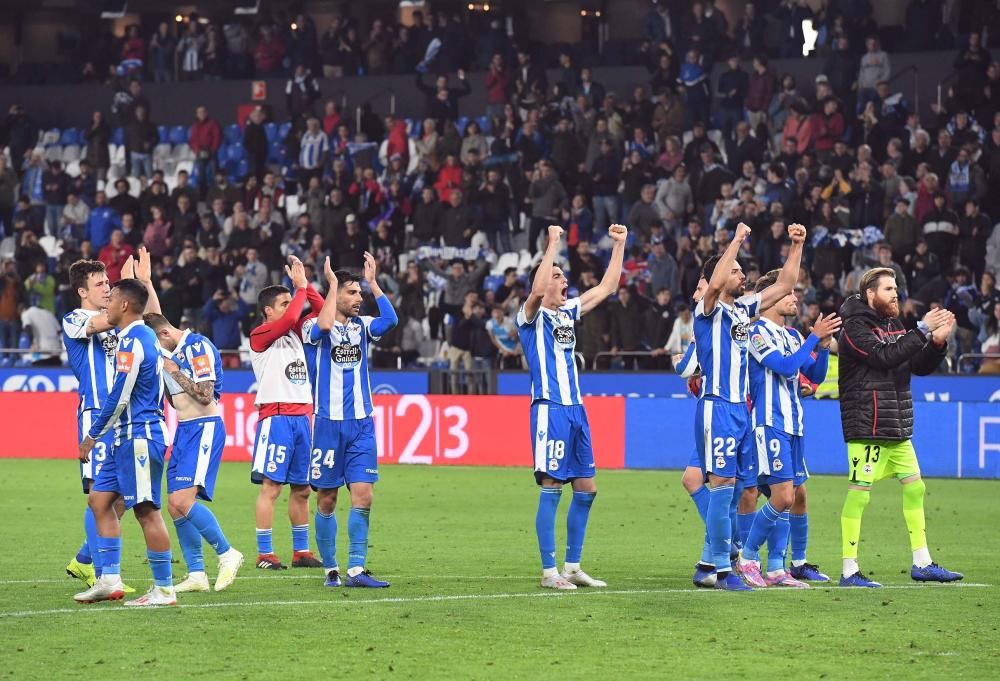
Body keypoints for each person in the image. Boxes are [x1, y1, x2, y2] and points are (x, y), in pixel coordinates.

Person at [692, 221, 805, 591]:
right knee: (722, 486)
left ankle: (709, 562)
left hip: (742, 411)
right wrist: (736, 241)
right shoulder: (707, 310)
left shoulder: (743, 311)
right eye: (737, 270)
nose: (743, 275)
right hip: (718, 407)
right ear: (718, 278)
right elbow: (716, 282)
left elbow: (784, 284)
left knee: (742, 490)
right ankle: (724, 571)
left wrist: (796, 244)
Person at [516, 222, 628, 590]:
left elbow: (608, 287)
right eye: (558, 276)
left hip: (576, 409)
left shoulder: (567, 313)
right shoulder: (530, 317)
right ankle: (549, 572)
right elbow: (534, 289)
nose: (565, 281)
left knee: (587, 488)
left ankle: (573, 566)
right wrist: (552, 244)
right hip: (550, 409)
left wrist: (619, 245)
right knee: (552, 486)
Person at [836, 267, 963, 587]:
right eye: (889, 289)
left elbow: (914, 365)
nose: (896, 294)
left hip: (896, 427)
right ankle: (849, 569)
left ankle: (922, 562)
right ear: (870, 294)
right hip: (867, 425)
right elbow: (883, 357)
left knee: (916, 487)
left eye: (896, 288)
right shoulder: (854, 328)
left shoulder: (893, 324)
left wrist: (936, 343)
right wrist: (921, 330)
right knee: (860, 495)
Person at [737, 269, 840, 588]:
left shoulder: (793, 335)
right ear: (770, 299)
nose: (795, 298)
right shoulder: (756, 333)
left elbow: (814, 374)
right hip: (770, 423)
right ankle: (748, 557)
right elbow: (783, 366)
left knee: (795, 495)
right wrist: (814, 337)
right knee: (782, 496)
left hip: (794, 424)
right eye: (788, 294)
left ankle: (779, 568)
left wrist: (821, 346)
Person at [76, 278, 174, 606]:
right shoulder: (133, 337)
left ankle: (164, 588)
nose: (108, 300)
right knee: (100, 501)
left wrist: (91, 436)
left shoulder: (135, 339)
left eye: (112, 296)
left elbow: (120, 395)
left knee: (146, 511)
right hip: (124, 439)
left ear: (124, 305)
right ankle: (109, 579)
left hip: (140, 437)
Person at [303, 254, 398, 588]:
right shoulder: (311, 326)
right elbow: (325, 326)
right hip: (328, 425)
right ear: (337, 295)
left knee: (364, 495)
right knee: (327, 498)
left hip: (361, 424)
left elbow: (391, 319)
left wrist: (374, 283)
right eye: (353, 293)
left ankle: (356, 569)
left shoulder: (363, 327)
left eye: (360, 294)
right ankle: (331, 569)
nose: (359, 299)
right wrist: (330, 287)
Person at [144, 311, 244, 593]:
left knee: (182, 500)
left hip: (204, 427)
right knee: (174, 506)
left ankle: (227, 553)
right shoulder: (170, 351)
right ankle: (196, 573)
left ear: (164, 335)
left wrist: (171, 368)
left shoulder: (196, 346)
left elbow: (205, 394)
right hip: (184, 430)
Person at [249, 256, 326, 570]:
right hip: (277, 417)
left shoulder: (294, 333)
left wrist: (305, 287)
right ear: (269, 310)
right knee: (272, 487)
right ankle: (265, 553)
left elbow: (322, 312)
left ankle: (301, 552)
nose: (291, 307)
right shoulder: (261, 335)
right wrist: (300, 288)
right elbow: (293, 314)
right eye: (283, 303)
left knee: (303, 489)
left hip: (302, 419)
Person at [61, 259, 133, 594]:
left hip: (125, 416)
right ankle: (104, 575)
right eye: (101, 284)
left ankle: (85, 559)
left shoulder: (118, 322)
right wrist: (132, 292)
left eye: (110, 282)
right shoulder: (76, 318)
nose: (108, 288)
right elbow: (105, 321)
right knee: (100, 497)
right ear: (82, 292)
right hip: (96, 413)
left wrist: (138, 287)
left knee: (127, 496)